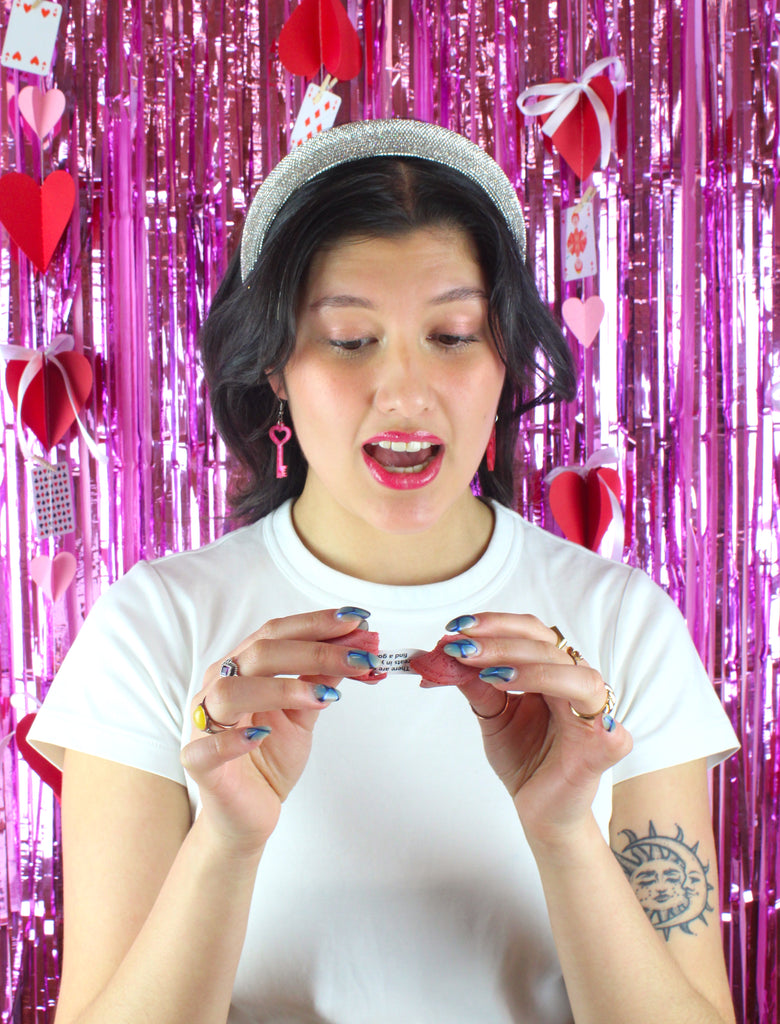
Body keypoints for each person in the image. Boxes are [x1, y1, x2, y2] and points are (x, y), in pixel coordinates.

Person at [29, 119, 739, 1024]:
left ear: (505, 358)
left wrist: (563, 831)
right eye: (350, 340)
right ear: (276, 367)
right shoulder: (156, 624)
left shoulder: (623, 624)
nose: (405, 393)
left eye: (450, 335)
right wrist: (228, 840)